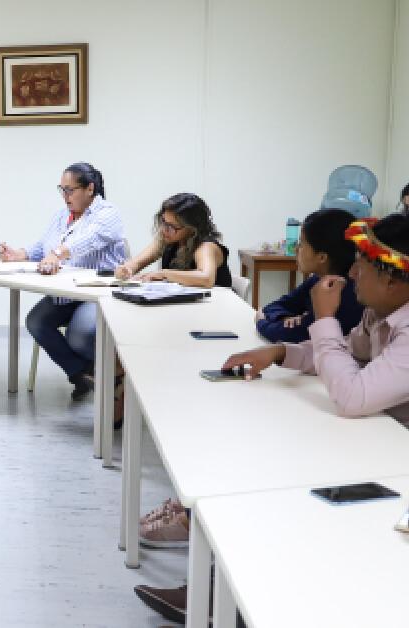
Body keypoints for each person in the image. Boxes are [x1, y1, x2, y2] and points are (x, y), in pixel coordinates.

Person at [135, 214, 409, 625]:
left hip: (394, 459)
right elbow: (342, 357)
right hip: (378, 440)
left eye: (362, 266)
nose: (351, 273)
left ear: (393, 280)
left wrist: (325, 319)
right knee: (276, 460)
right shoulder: (380, 316)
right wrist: (281, 353)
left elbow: (353, 394)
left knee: (292, 490)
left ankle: (233, 601)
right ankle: (222, 591)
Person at [0, 162, 127, 399]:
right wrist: (20, 254)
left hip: (96, 293)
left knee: (81, 335)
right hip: (66, 292)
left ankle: (114, 372)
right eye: (62, 190)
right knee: (36, 322)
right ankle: (82, 373)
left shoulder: (108, 213)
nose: (65, 196)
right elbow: (44, 247)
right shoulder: (62, 215)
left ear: (90, 189)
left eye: (70, 190)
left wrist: (57, 254)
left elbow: (87, 240)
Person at [255, 208, 363, 343]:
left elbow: (292, 336)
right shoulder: (318, 279)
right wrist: (284, 318)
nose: (295, 249)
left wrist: (261, 322)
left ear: (322, 257)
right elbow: (275, 306)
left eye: (301, 244)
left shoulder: (346, 293)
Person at [115, 192, 232, 288]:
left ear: (192, 229)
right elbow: (136, 263)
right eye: (163, 222)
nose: (163, 230)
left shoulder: (206, 246)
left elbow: (206, 278)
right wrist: (126, 270)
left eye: (171, 227)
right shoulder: (167, 239)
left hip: (215, 309)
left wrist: (163, 274)